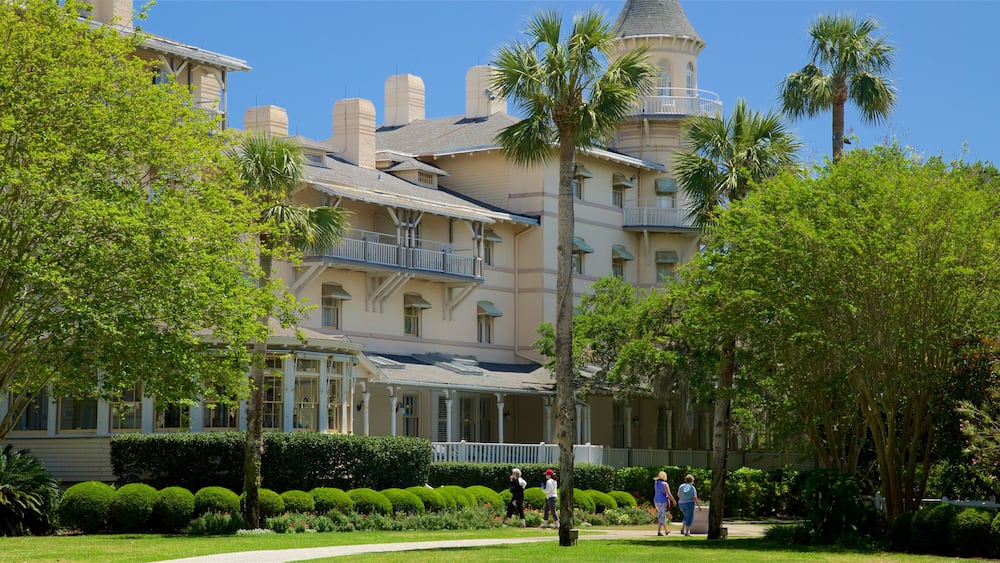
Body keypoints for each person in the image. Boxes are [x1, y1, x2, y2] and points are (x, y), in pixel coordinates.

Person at [653, 470, 677, 536]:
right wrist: (673, 501)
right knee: (662, 516)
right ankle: (659, 531)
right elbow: (669, 494)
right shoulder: (665, 484)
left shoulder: (656, 483)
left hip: (656, 500)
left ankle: (666, 531)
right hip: (663, 501)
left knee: (661, 515)